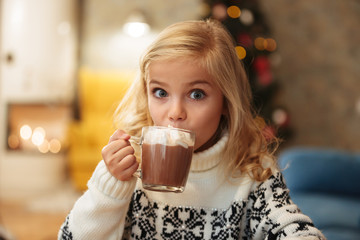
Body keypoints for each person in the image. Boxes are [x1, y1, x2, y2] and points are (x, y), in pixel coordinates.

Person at [59, 19, 325, 240]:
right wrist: (110, 188)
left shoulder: (253, 174)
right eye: (160, 92)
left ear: (225, 101)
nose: (175, 112)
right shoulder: (129, 169)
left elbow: (294, 229)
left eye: (196, 94)